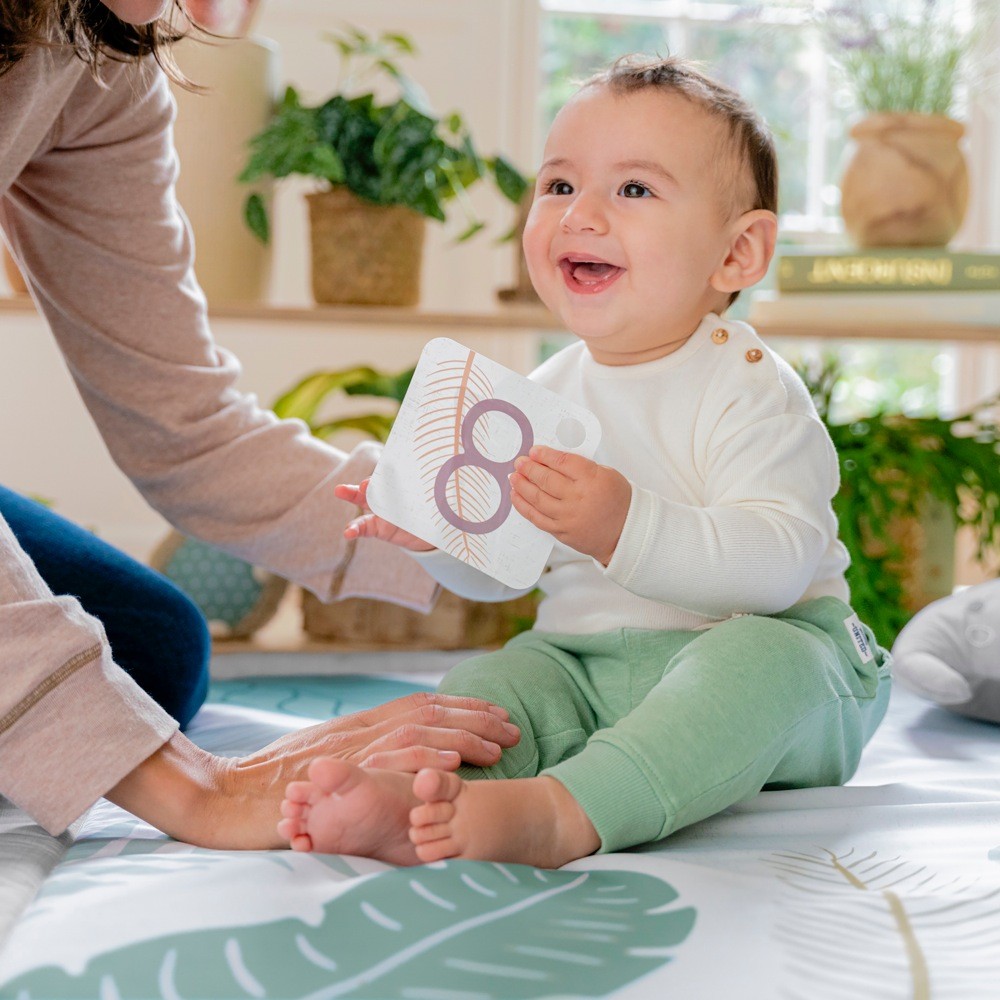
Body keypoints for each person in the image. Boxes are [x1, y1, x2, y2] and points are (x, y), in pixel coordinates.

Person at [276, 55, 893, 868]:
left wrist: (621, 525)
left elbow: (776, 569)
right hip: (589, 668)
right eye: (559, 186)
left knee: (762, 664)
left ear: (738, 254)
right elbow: (510, 574)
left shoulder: (749, 387)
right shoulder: (543, 395)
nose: (580, 215)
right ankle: (413, 795)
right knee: (495, 690)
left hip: (776, 666)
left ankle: (562, 812)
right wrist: (448, 541)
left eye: (633, 190)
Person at [0, 0, 520, 850]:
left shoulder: (101, 56)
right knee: (88, 726)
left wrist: (485, 532)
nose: (202, 10)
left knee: (153, 651)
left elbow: (187, 425)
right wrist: (194, 789)